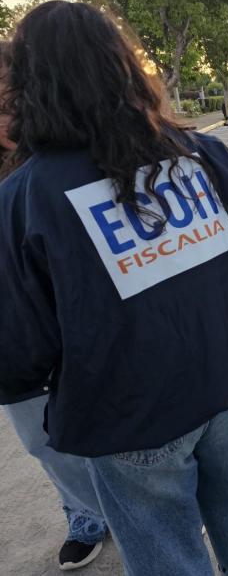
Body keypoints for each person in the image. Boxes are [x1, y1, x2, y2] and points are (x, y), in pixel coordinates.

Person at [0, 1, 228, 576]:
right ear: (121, 66)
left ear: (30, 85)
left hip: (127, 418)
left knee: (165, 546)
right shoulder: (199, 152)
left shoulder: (26, 198)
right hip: (222, 384)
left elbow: (19, 341)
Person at [0, 39, 109, 571]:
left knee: (116, 423)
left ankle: (151, 499)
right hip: (11, 331)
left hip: (76, 314)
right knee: (40, 436)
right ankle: (86, 510)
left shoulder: (65, 154)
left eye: (8, 101)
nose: (4, 115)